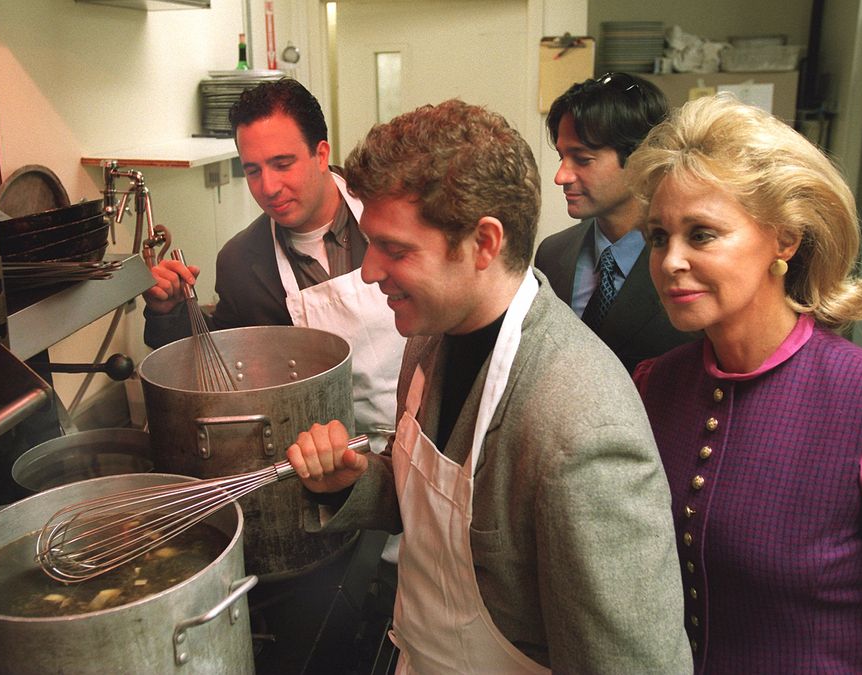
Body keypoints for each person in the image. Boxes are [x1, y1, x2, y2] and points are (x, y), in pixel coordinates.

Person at [284, 99, 692, 672]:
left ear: (484, 243)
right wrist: (355, 484)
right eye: (371, 241)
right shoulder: (431, 338)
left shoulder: (580, 423)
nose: (370, 271)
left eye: (396, 250)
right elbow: (446, 520)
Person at [627, 94, 862, 672]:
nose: (671, 261)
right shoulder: (655, 385)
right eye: (658, 236)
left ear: (785, 240)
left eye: (701, 234)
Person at [141, 78, 405, 451]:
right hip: (332, 463)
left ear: (320, 153)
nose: (268, 187)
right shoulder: (241, 262)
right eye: (253, 170)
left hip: (426, 434)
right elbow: (219, 369)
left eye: (283, 164)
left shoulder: (391, 213)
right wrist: (166, 311)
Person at [534, 72, 693, 372]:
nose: (561, 177)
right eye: (561, 157)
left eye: (582, 159)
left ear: (640, 158)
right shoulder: (553, 254)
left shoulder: (684, 263)